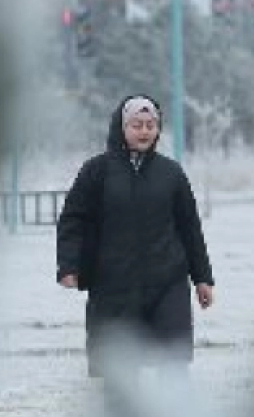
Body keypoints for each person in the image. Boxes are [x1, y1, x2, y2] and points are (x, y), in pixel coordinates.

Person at [56, 95, 215, 377]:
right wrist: (68, 266)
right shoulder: (96, 171)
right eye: (136, 125)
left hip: (167, 283)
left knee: (173, 366)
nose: (144, 131)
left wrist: (202, 278)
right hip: (113, 285)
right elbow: (72, 220)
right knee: (120, 371)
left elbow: (190, 227)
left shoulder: (171, 173)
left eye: (150, 125)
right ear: (122, 127)